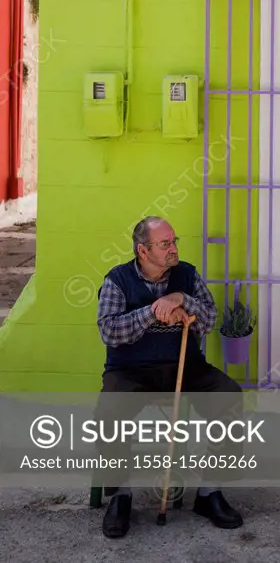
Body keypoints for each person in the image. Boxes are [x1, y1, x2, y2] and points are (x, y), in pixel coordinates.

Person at [94, 215, 243, 538]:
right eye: (165, 244)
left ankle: (209, 492)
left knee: (228, 396)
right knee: (109, 413)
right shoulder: (117, 281)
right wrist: (152, 311)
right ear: (143, 251)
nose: (173, 248)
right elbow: (110, 331)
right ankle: (120, 495)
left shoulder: (187, 275)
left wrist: (180, 299)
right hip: (131, 371)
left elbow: (210, 317)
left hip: (185, 367)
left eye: (174, 241)